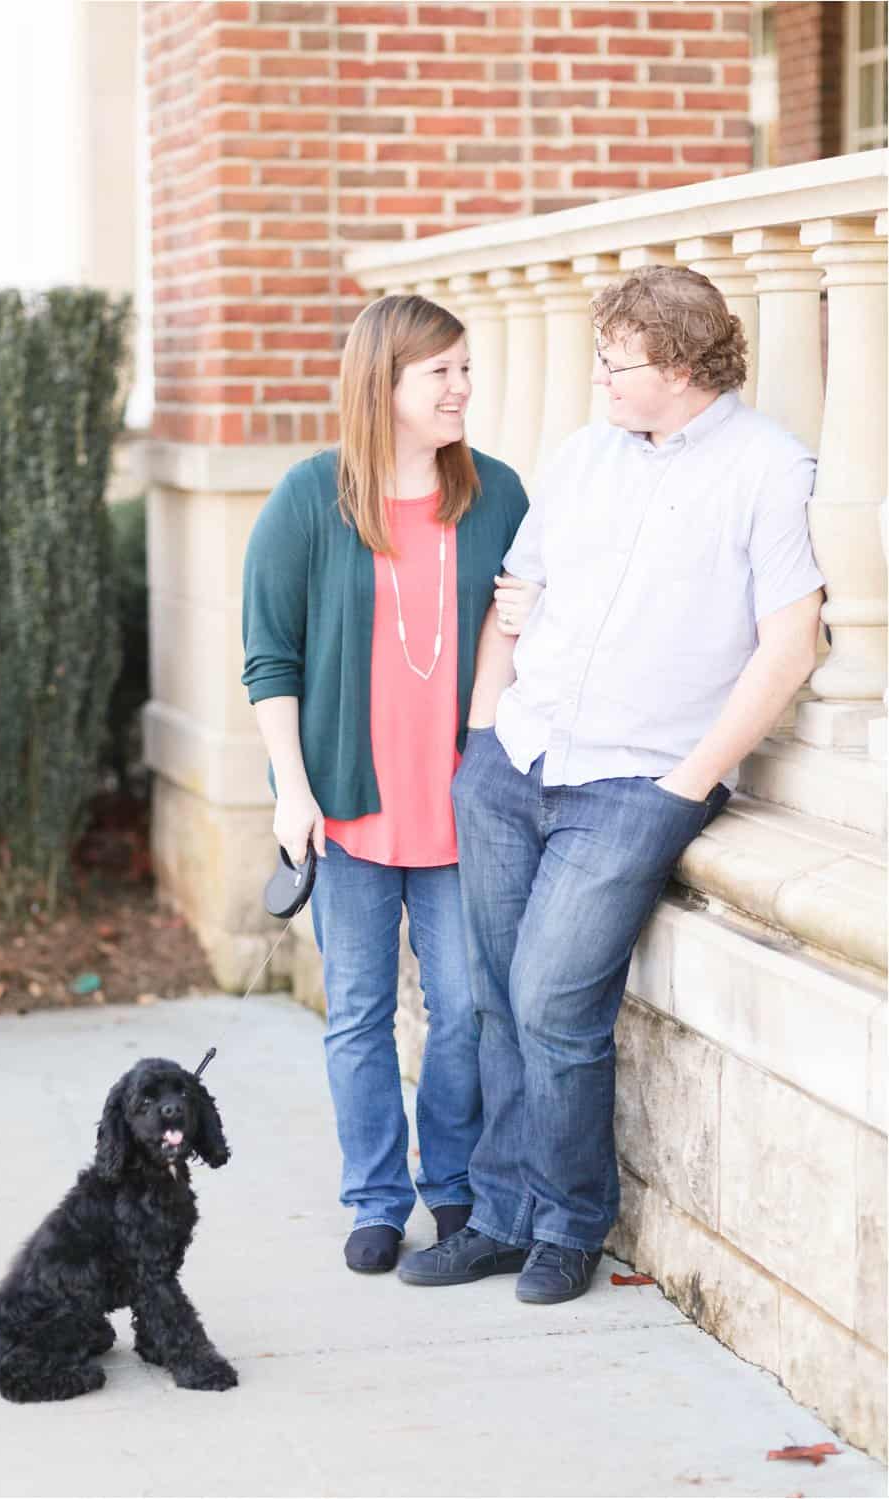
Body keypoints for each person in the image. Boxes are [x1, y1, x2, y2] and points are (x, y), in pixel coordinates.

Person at [397, 264, 824, 1303]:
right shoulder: (584, 455)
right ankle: (497, 1216)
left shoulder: (768, 468)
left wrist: (688, 780)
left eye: (613, 362)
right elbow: (518, 595)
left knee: (553, 1001)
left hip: (637, 780)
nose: (595, 378)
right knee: (500, 1000)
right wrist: (481, 731)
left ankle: (571, 1224)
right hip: (517, 758)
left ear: (679, 366)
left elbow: (790, 643)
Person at [241, 294, 528, 1274]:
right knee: (359, 1009)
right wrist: (291, 788)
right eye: (439, 372)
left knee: (467, 1007)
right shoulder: (309, 497)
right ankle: (374, 1193)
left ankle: (449, 1182)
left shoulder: (498, 496)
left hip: (462, 811)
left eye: (463, 368)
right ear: (385, 383)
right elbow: (268, 658)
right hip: (349, 811)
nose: (461, 386)